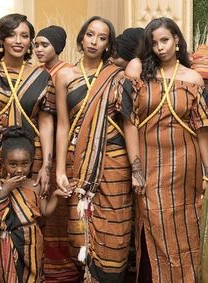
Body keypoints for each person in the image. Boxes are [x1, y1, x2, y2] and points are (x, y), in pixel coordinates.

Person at [55, 16, 141, 282]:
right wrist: (59, 169)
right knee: (79, 233)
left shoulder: (118, 76)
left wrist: (136, 168)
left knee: (115, 235)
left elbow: (129, 124)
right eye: (90, 35)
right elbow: (62, 125)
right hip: (78, 163)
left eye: (102, 38)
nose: (94, 42)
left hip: (114, 163)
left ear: (108, 44)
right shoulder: (65, 76)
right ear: (82, 37)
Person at [125, 17, 208, 282]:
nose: (160, 47)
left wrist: (207, 173)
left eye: (165, 40)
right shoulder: (137, 70)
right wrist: (135, 168)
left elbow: (202, 130)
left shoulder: (193, 78)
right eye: (154, 42)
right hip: (148, 164)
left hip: (186, 167)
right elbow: (128, 122)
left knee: (184, 229)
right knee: (152, 223)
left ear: (177, 41)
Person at [0, 13, 54, 280]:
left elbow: (45, 124)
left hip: (29, 156)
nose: (18, 41)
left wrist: (46, 167)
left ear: (31, 41)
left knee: (29, 221)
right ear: (1, 39)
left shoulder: (41, 76)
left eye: (25, 35)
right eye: (12, 35)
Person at [0, 126, 72, 282]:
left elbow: (45, 212)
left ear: (31, 163)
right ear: (2, 164)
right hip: (4, 245)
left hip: (31, 245)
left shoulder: (35, 186)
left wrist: (56, 196)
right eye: (13, 164)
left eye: (24, 164)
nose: (19, 170)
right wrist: (6, 191)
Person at [35, 25, 78, 282]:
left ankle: (63, 265)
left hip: (62, 148)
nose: (39, 49)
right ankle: (42, 262)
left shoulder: (68, 73)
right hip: (38, 148)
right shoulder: (36, 73)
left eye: (44, 45)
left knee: (61, 207)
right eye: (37, 45)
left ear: (57, 47)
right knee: (40, 203)